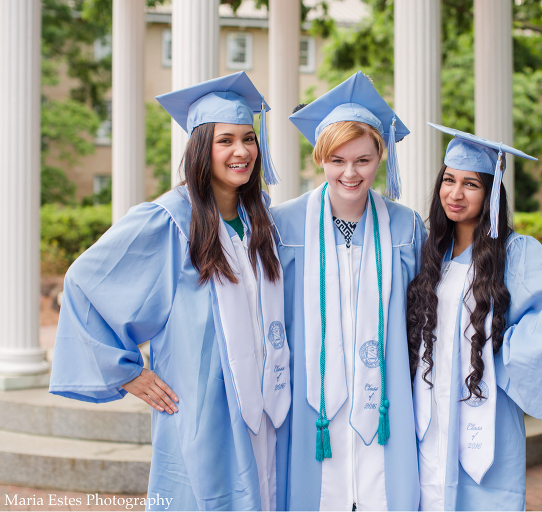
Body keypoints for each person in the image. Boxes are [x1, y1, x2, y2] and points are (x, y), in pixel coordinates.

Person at [49, 72, 290, 511]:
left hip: (270, 407)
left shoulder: (264, 220)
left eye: (249, 139)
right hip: (206, 411)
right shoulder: (169, 219)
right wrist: (126, 371)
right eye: (225, 141)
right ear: (201, 149)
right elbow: (85, 281)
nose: (242, 152)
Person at [407, 123, 542, 511]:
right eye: (449, 180)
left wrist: (503, 359)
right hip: (431, 404)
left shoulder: (515, 252)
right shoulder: (431, 252)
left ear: (491, 192)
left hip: (482, 400)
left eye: (471, 184)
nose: (455, 194)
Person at [270, 71, 426, 510]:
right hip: (310, 397)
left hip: (385, 393)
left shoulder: (406, 226)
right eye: (337, 160)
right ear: (320, 159)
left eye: (363, 159)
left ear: (382, 157)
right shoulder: (285, 224)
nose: (350, 172)